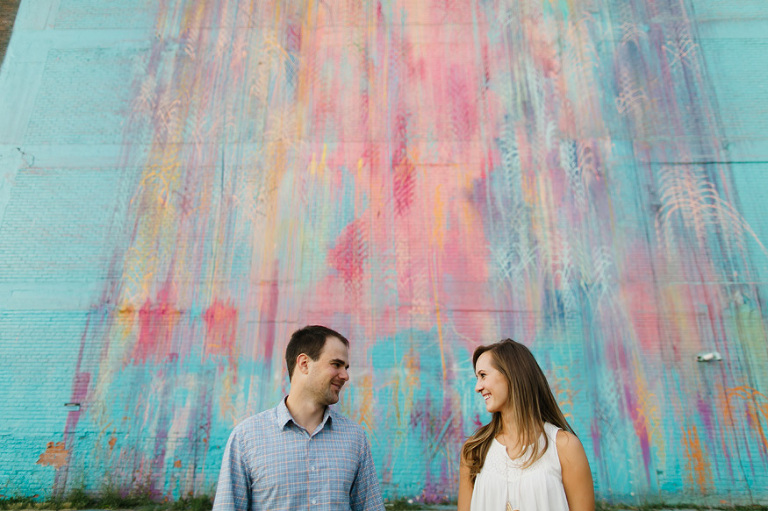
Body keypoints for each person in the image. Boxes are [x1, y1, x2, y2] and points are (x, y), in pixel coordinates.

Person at [213, 325, 385, 511]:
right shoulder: (247, 438)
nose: (345, 376)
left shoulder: (354, 438)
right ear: (304, 363)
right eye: (336, 364)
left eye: (346, 367)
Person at [458, 339, 594, 511]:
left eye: (483, 375)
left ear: (511, 374)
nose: (478, 387)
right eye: (477, 378)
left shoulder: (564, 447)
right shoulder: (474, 450)